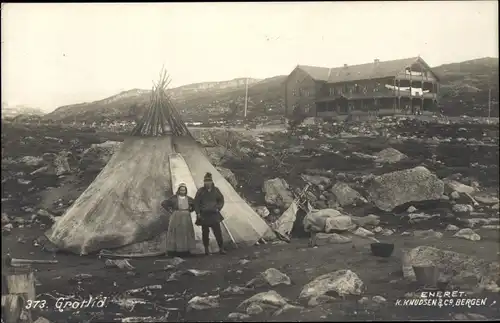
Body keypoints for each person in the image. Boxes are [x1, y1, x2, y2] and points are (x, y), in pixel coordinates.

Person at [194, 172, 226, 255]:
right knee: (205, 233)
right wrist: (198, 213)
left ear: (212, 182)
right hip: (204, 215)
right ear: (204, 182)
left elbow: (221, 200)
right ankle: (206, 250)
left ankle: (221, 248)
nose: (207, 183)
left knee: (218, 232)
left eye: (209, 181)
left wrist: (218, 208)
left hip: (214, 214)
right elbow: (196, 203)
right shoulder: (200, 191)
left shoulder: (216, 190)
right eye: (206, 181)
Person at [161, 183, 196, 256]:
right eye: (181, 190)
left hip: (186, 217)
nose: (182, 191)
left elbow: (195, 205)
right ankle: (174, 250)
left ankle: (186, 250)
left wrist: (191, 209)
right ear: (179, 190)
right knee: (176, 232)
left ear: (186, 191)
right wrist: (170, 210)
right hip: (176, 216)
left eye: (184, 190)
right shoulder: (174, 198)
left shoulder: (189, 199)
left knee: (186, 232)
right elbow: (164, 203)